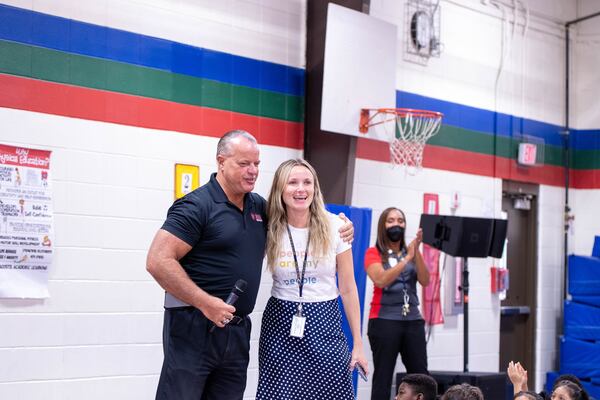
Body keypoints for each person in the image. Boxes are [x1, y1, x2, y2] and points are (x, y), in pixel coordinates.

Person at [146, 131, 354, 400]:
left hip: (236, 331)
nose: (252, 171)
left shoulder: (260, 207)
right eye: (244, 164)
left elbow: (299, 215)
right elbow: (157, 261)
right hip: (194, 326)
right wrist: (205, 302)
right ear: (221, 161)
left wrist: (342, 225)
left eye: (256, 164)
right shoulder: (196, 206)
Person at [256, 158, 368, 399]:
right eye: (293, 182)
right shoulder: (267, 227)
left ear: (315, 188)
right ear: (280, 189)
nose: (301, 189)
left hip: (325, 320)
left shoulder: (336, 226)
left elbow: (348, 289)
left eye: (307, 182)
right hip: (280, 322)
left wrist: (358, 343)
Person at [365, 207, 430, 400]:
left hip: (413, 320)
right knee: (383, 376)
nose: (396, 224)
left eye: (400, 221)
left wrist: (415, 251)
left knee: (421, 377)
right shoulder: (373, 253)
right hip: (384, 320)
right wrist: (406, 258)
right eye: (391, 220)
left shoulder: (411, 252)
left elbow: (426, 280)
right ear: (383, 225)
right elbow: (381, 279)